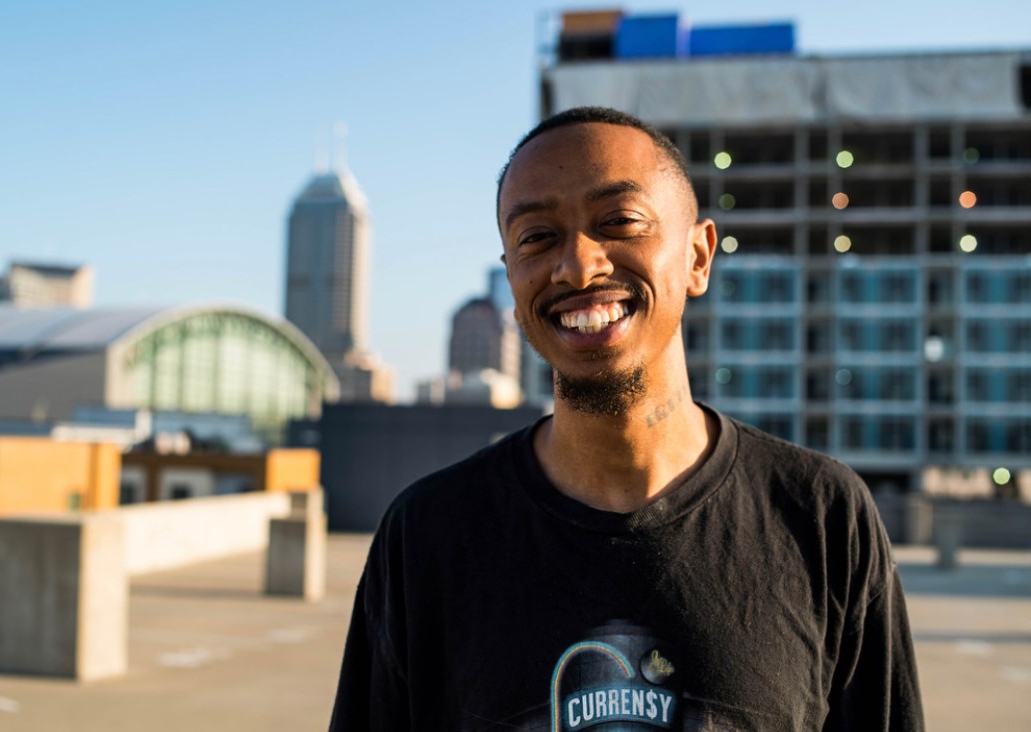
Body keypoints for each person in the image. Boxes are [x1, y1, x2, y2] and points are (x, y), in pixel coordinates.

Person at [329, 106, 924, 731]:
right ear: (511, 279)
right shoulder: (427, 535)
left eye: (620, 222)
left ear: (698, 257)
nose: (578, 267)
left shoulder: (824, 518)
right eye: (537, 237)